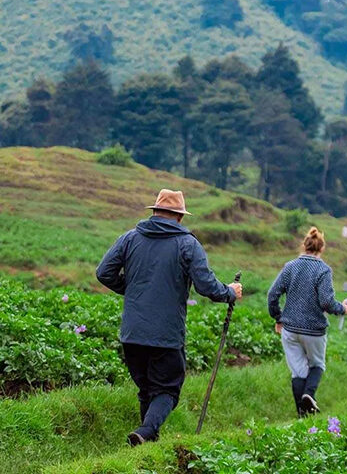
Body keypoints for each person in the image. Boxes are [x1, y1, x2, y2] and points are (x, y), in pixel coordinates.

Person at [96, 189, 242, 446]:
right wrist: (230, 292)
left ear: (154, 212)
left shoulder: (130, 238)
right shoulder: (188, 244)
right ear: (179, 217)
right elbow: (206, 286)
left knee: (146, 390)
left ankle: (145, 442)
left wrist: (133, 291)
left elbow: (103, 272)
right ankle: (145, 432)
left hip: (132, 333)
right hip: (166, 334)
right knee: (166, 390)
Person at [267, 227, 347, 417]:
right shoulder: (323, 270)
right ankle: (309, 394)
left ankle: (302, 416)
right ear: (321, 248)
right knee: (317, 365)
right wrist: (342, 309)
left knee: (298, 372)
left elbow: (272, 295)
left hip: (290, 328)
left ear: (304, 246)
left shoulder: (290, 267)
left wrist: (278, 317)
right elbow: (327, 302)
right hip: (314, 330)